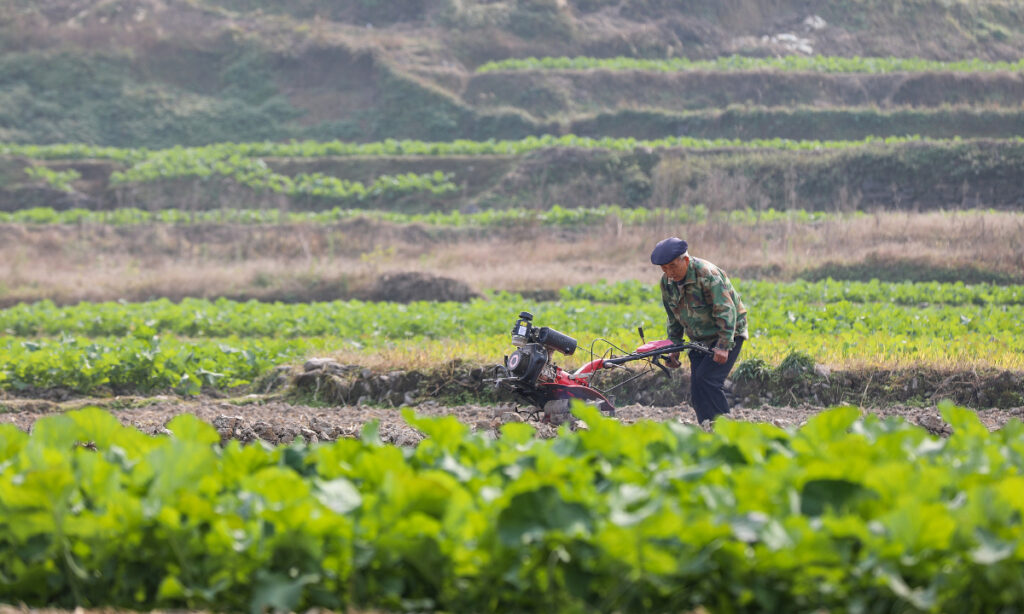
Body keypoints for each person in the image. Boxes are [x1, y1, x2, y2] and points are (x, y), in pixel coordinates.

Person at [650, 237, 748, 424]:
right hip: (698, 337)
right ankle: (707, 428)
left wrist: (723, 346)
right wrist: (674, 348)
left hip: (728, 333)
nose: (669, 273)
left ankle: (725, 430)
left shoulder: (707, 275)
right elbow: (674, 317)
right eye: (664, 269)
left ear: (685, 260)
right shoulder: (667, 284)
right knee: (697, 387)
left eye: (673, 266)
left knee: (708, 380)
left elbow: (726, 310)